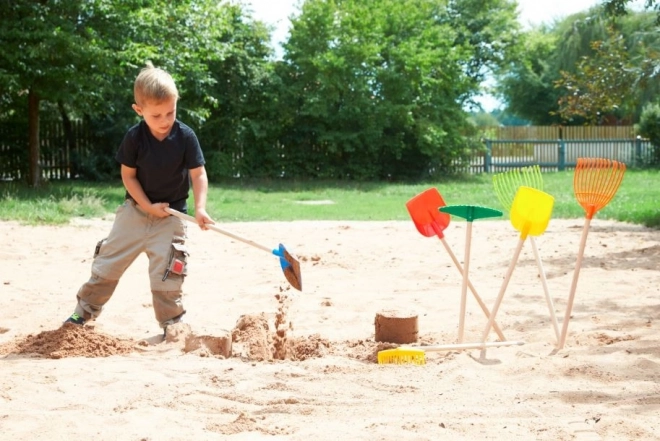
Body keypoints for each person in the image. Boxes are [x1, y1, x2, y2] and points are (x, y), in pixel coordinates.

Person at [64, 62, 214, 336]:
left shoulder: (186, 137)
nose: (165, 120)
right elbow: (129, 177)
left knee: (169, 271)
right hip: (135, 212)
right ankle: (81, 314)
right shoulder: (134, 138)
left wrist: (200, 208)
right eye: (156, 115)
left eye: (171, 112)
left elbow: (198, 174)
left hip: (171, 218)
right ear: (139, 110)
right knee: (108, 263)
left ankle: (172, 324)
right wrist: (147, 206)